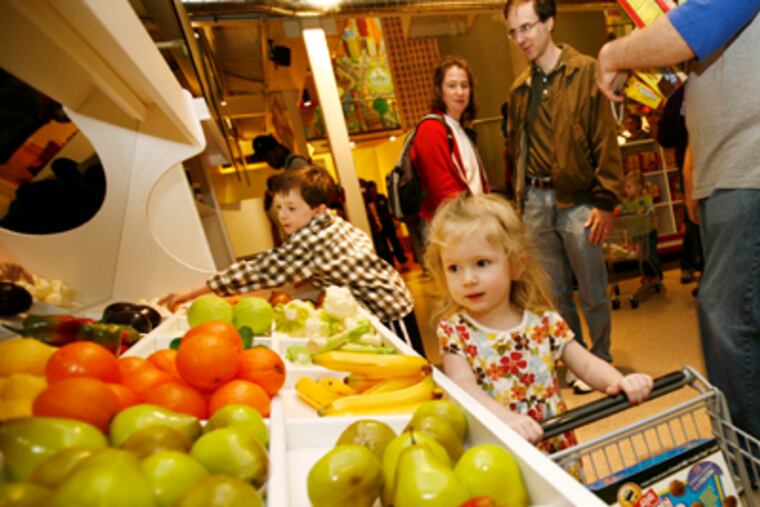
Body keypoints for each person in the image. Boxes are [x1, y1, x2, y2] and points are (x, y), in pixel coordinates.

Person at [596, 1, 760, 442]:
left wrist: (614, 54)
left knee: (731, 320)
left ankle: (749, 458)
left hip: (748, 174)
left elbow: (695, 26)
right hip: (729, 173)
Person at [425, 194, 653, 449]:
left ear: (516, 265)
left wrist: (619, 381)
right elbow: (463, 386)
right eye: (454, 267)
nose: (468, 279)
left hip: (554, 439)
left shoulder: (544, 321)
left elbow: (586, 364)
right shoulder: (455, 331)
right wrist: (507, 419)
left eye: (481, 263)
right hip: (499, 448)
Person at [159, 165, 426, 356]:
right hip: (390, 297)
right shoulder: (331, 222)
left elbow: (259, 270)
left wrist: (193, 291)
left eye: (291, 208)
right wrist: (314, 274)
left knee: (410, 362)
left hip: (388, 307)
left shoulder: (311, 239)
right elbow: (355, 249)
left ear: (317, 209)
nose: (283, 216)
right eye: (279, 208)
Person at [504, 0, 624, 392]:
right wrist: (519, 204)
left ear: (549, 22)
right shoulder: (519, 89)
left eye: (527, 27)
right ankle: (579, 361)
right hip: (536, 203)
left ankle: (601, 358)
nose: (521, 38)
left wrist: (606, 201)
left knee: (591, 287)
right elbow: (516, 150)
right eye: (514, 31)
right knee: (555, 293)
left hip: (579, 201)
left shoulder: (587, 70)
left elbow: (605, 138)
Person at [407, 55, 489, 267]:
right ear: (440, 91)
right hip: (453, 229)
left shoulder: (460, 129)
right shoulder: (431, 129)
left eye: (464, 85)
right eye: (452, 86)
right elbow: (444, 192)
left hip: (469, 224)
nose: (460, 92)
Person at [656, 87, 702, 286]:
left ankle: (694, 267)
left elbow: (666, 138)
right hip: (714, 163)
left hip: (691, 165)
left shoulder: (677, 97)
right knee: (699, 219)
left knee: (693, 218)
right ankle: (695, 267)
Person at [619, 171, 662, 283]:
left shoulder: (646, 199)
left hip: (649, 232)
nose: (626, 190)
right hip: (636, 234)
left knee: (651, 255)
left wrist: (645, 210)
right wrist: (616, 211)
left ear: (639, 187)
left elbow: (651, 209)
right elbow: (620, 209)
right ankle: (647, 274)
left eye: (629, 187)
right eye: (625, 187)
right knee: (641, 256)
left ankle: (657, 274)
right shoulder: (626, 203)